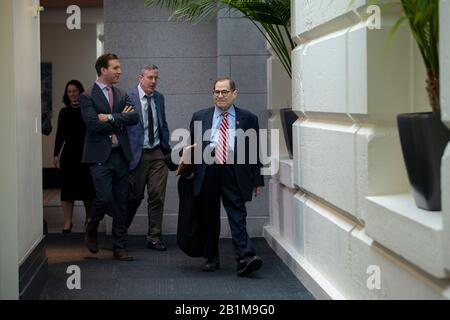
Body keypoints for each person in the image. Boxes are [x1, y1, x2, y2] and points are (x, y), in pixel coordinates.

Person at [187, 77, 265, 276]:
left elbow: (255, 151)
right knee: (209, 215)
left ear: (234, 94)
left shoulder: (248, 118)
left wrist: (257, 180)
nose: (219, 96)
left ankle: (245, 257)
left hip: (234, 170)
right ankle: (211, 258)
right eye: (216, 92)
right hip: (208, 169)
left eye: (224, 92)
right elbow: (192, 148)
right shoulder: (199, 116)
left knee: (237, 214)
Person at [80, 53, 139, 261]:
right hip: (99, 157)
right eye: (115, 67)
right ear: (103, 70)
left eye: (119, 67)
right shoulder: (87, 96)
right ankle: (92, 226)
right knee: (104, 198)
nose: (119, 71)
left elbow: (134, 117)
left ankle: (119, 247)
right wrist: (119, 119)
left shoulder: (122, 93)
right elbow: (93, 125)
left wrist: (111, 117)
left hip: (120, 156)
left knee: (121, 202)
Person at [126, 65, 171, 251]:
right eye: (150, 78)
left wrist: (165, 146)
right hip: (137, 154)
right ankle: (120, 232)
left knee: (157, 196)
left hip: (158, 153)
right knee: (134, 197)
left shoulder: (159, 98)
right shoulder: (128, 97)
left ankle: (154, 237)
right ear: (140, 78)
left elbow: (163, 123)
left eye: (156, 78)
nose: (153, 81)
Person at [53, 80, 95, 233]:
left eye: (75, 91)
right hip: (69, 156)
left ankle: (89, 221)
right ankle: (67, 222)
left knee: (87, 190)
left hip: (86, 154)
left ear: (80, 92)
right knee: (67, 189)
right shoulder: (64, 112)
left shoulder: (88, 110)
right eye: (69, 91)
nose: (72, 94)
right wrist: (56, 154)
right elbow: (60, 135)